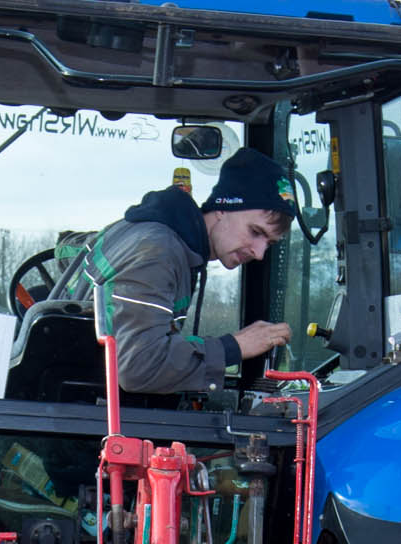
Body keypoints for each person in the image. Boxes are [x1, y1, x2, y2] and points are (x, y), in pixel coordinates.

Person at [80, 146, 296, 394]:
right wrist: (233, 347)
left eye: (268, 243)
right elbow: (138, 367)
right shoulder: (158, 251)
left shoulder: (160, 238)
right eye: (255, 232)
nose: (259, 253)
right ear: (223, 207)